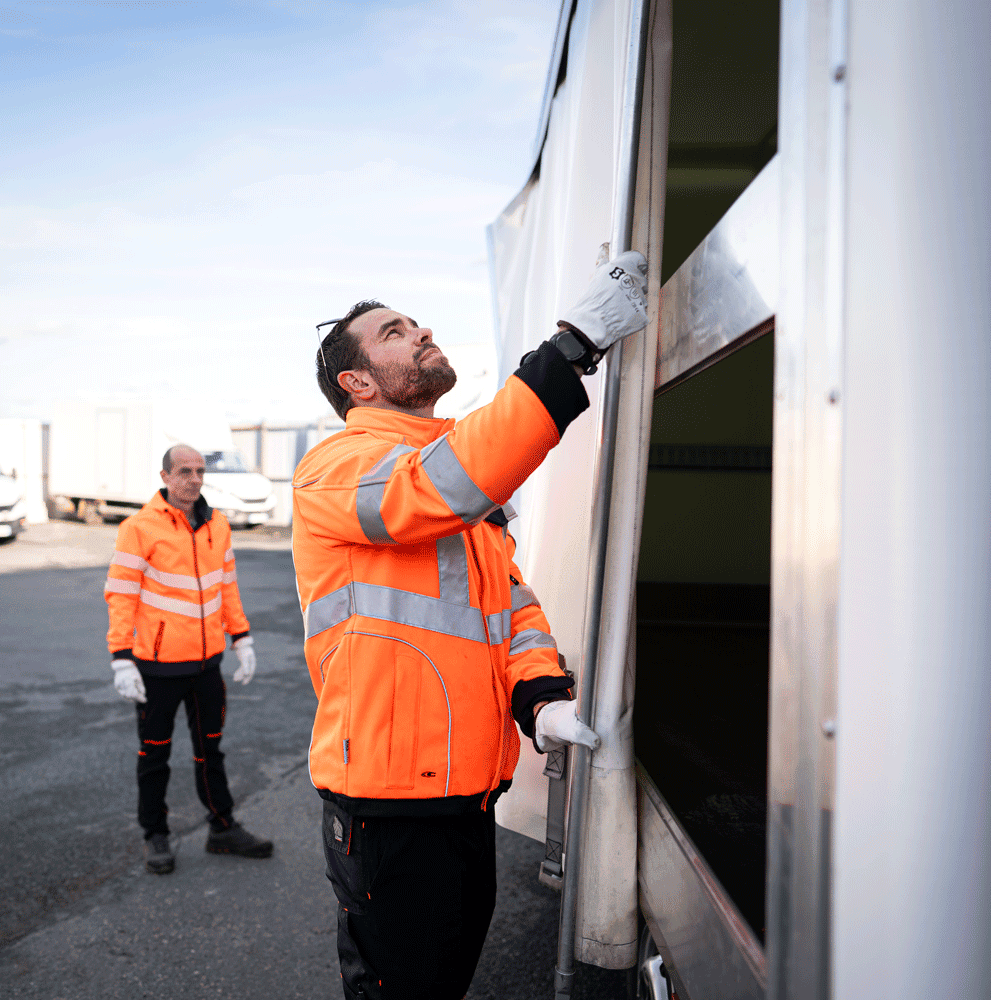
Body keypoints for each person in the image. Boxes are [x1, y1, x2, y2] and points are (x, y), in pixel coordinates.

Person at [292, 250, 648, 999]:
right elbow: (434, 488)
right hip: (387, 807)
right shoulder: (336, 467)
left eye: (416, 322)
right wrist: (570, 349)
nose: (421, 331)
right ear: (357, 383)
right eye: (394, 332)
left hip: (464, 795)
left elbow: (510, 607)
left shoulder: (452, 473)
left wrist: (540, 696)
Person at [104, 443, 274, 874]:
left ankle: (222, 827)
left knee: (210, 752)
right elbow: (121, 595)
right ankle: (155, 835)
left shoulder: (218, 524)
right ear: (165, 476)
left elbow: (227, 585)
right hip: (157, 668)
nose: (194, 479)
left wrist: (242, 637)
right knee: (154, 757)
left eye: (199, 471)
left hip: (206, 666)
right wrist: (121, 657)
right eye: (184, 471)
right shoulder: (138, 528)